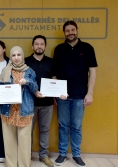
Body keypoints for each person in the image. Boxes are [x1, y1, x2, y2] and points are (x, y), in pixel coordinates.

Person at [52, 20, 97, 167]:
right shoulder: (58, 49)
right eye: (67, 31)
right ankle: (63, 154)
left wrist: (90, 93)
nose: (70, 33)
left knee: (76, 127)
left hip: (80, 96)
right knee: (63, 126)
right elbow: (54, 74)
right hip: (62, 96)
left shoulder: (88, 48)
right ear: (64, 33)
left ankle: (76, 154)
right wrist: (55, 93)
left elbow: (93, 72)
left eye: (72, 30)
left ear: (77, 30)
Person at [0, 46, 40, 167]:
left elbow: (35, 88)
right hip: (8, 110)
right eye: (13, 55)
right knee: (9, 142)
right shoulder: (5, 71)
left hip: (24, 111)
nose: (16, 58)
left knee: (24, 143)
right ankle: (11, 165)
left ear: (22, 56)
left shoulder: (29, 71)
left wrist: (28, 81)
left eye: (18, 55)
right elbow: (0, 89)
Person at [25, 35, 54, 167]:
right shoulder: (25, 62)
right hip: (29, 103)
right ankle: (27, 155)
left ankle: (43, 155)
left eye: (42, 44)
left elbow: (54, 80)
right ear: (32, 46)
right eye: (36, 44)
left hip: (47, 103)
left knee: (45, 129)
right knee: (27, 130)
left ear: (45, 46)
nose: (39, 46)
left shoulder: (51, 62)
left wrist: (58, 93)